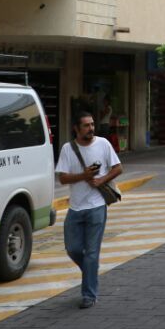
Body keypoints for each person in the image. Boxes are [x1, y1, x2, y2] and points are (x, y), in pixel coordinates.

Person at [55, 114, 122, 309]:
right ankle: (91, 271)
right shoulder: (68, 149)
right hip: (75, 207)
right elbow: (63, 179)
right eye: (86, 125)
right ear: (76, 128)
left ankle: (89, 295)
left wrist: (101, 180)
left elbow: (118, 168)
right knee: (73, 249)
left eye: (92, 124)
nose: (91, 128)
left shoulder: (103, 144)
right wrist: (83, 176)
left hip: (96, 206)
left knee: (92, 253)